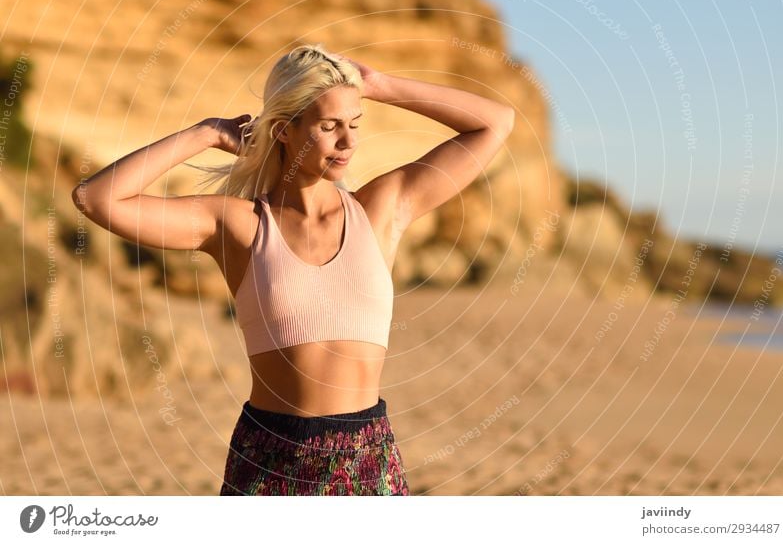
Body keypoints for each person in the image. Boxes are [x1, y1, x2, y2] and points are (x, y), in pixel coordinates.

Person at [72, 42, 515, 496]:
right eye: (329, 126)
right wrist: (204, 133)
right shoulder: (238, 227)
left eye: (354, 124)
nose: (349, 141)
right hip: (270, 456)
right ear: (284, 130)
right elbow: (95, 199)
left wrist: (379, 84)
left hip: (367, 453)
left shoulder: (381, 210)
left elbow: (495, 123)